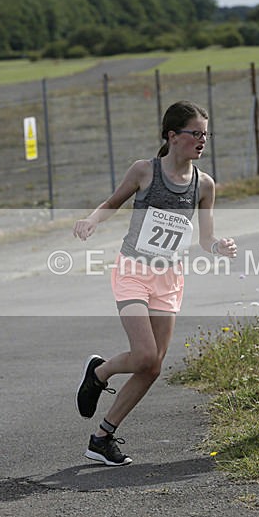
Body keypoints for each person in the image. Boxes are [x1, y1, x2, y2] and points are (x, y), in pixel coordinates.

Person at [72, 100, 237, 466]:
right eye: (195, 133)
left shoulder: (204, 184)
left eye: (205, 135)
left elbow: (206, 238)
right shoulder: (145, 171)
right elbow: (113, 202)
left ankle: (102, 437)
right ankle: (100, 372)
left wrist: (219, 246)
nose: (202, 141)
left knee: (153, 366)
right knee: (144, 354)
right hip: (133, 270)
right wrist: (91, 220)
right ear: (172, 136)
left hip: (170, 278)